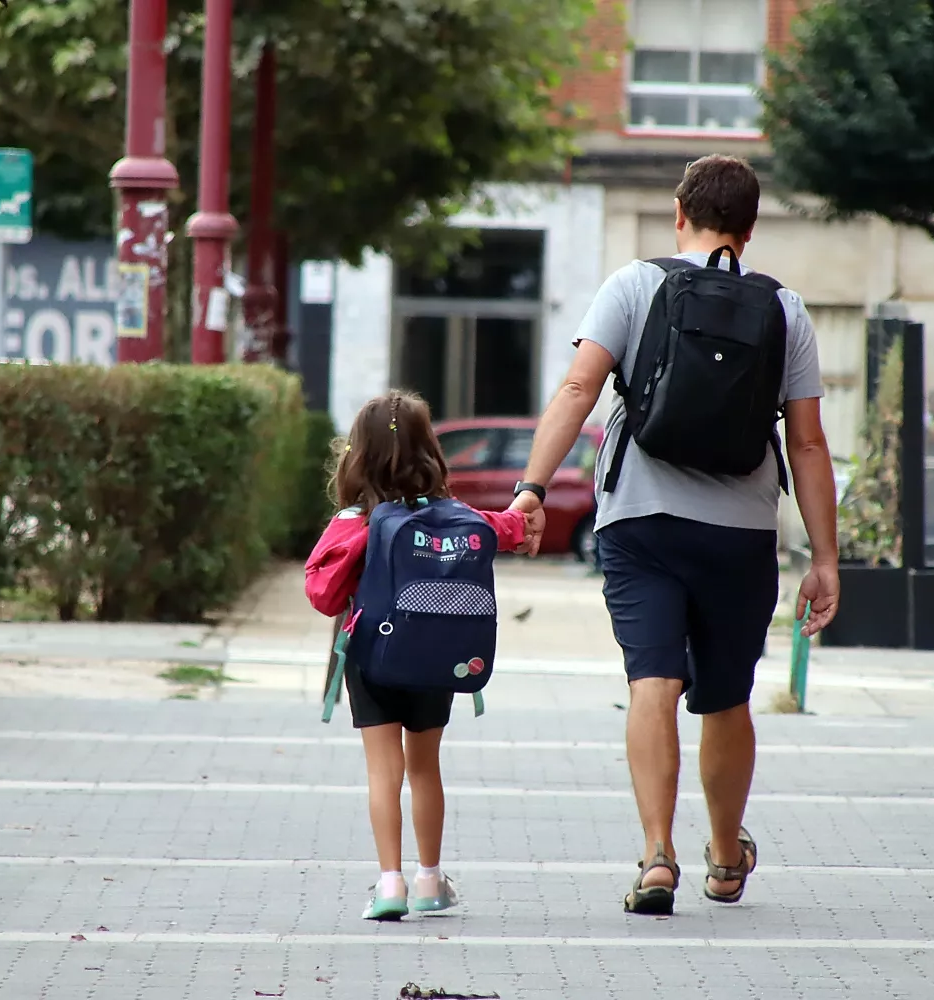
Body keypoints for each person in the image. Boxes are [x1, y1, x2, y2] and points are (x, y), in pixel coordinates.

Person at [507, 155, 840, 914]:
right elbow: (808, 444)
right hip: (741, 530)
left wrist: (531, 488)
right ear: (750, 231)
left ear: (678, 214)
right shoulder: (784, 309)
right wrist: (824, 557)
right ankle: (726, 858)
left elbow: (578, 390)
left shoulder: (634, 284)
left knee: (651, 680)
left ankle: (657, 856)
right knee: (726, 696)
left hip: (640, 520)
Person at [304, 390, 542, 921]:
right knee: (425, 767)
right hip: (439, 660)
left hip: (373, 658)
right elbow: (508, 526)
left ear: (358, 454)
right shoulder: (455, 515)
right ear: (431, 450)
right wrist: (527, 506)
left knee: (383, 771)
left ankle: (390, 885)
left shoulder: (356, 520)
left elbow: (321, 595)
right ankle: (431, 881)